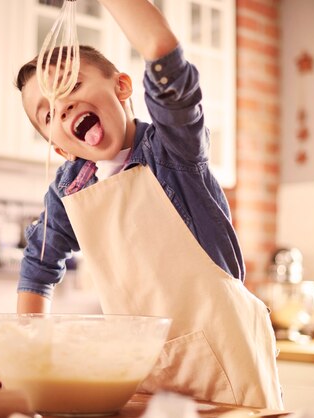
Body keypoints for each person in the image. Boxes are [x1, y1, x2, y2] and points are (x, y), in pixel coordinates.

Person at [15, 0, 283, 409]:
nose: (63, 105)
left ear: (122, 87)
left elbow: (163, 53)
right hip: (142, 374)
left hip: (229, 364)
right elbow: (37, 266)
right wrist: (27, 364)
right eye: (48, 111)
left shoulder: (174, 149)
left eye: (71, 85)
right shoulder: (68, 191)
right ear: (58, 147)